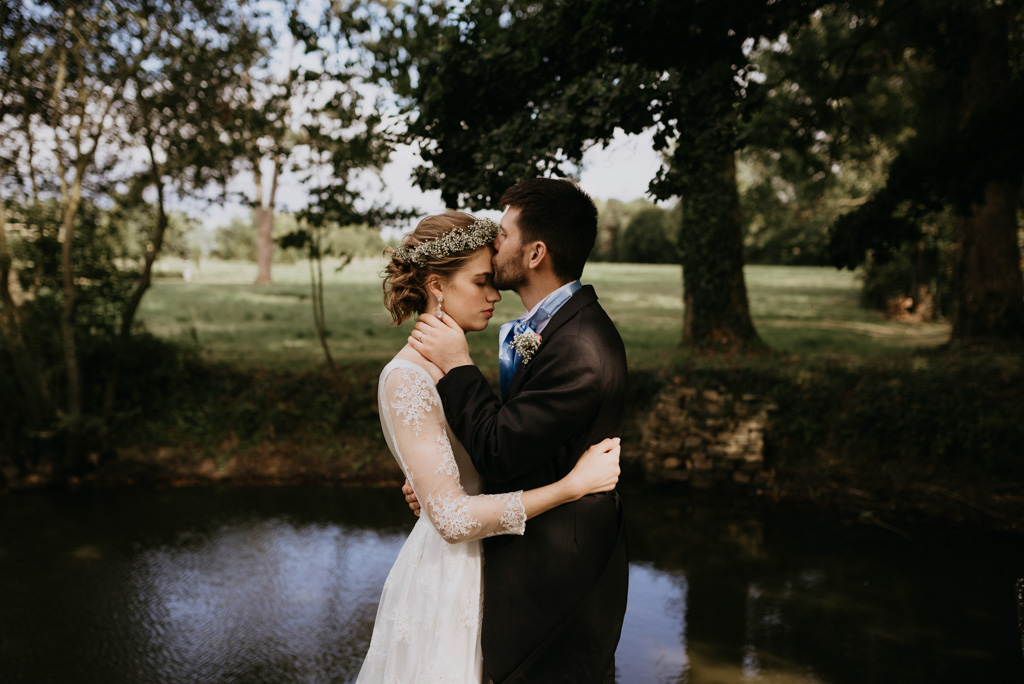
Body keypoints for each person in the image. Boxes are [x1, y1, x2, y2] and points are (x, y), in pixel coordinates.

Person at [355, 210, 622, 683]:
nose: (495, 295)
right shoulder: (406, 378)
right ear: (437, 286)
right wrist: (572, 486)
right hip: (449, 578)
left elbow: (486, 447)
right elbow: (454, 519)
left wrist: (432, 482)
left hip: (495, 574)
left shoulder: (451, 360)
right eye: (482, 281)